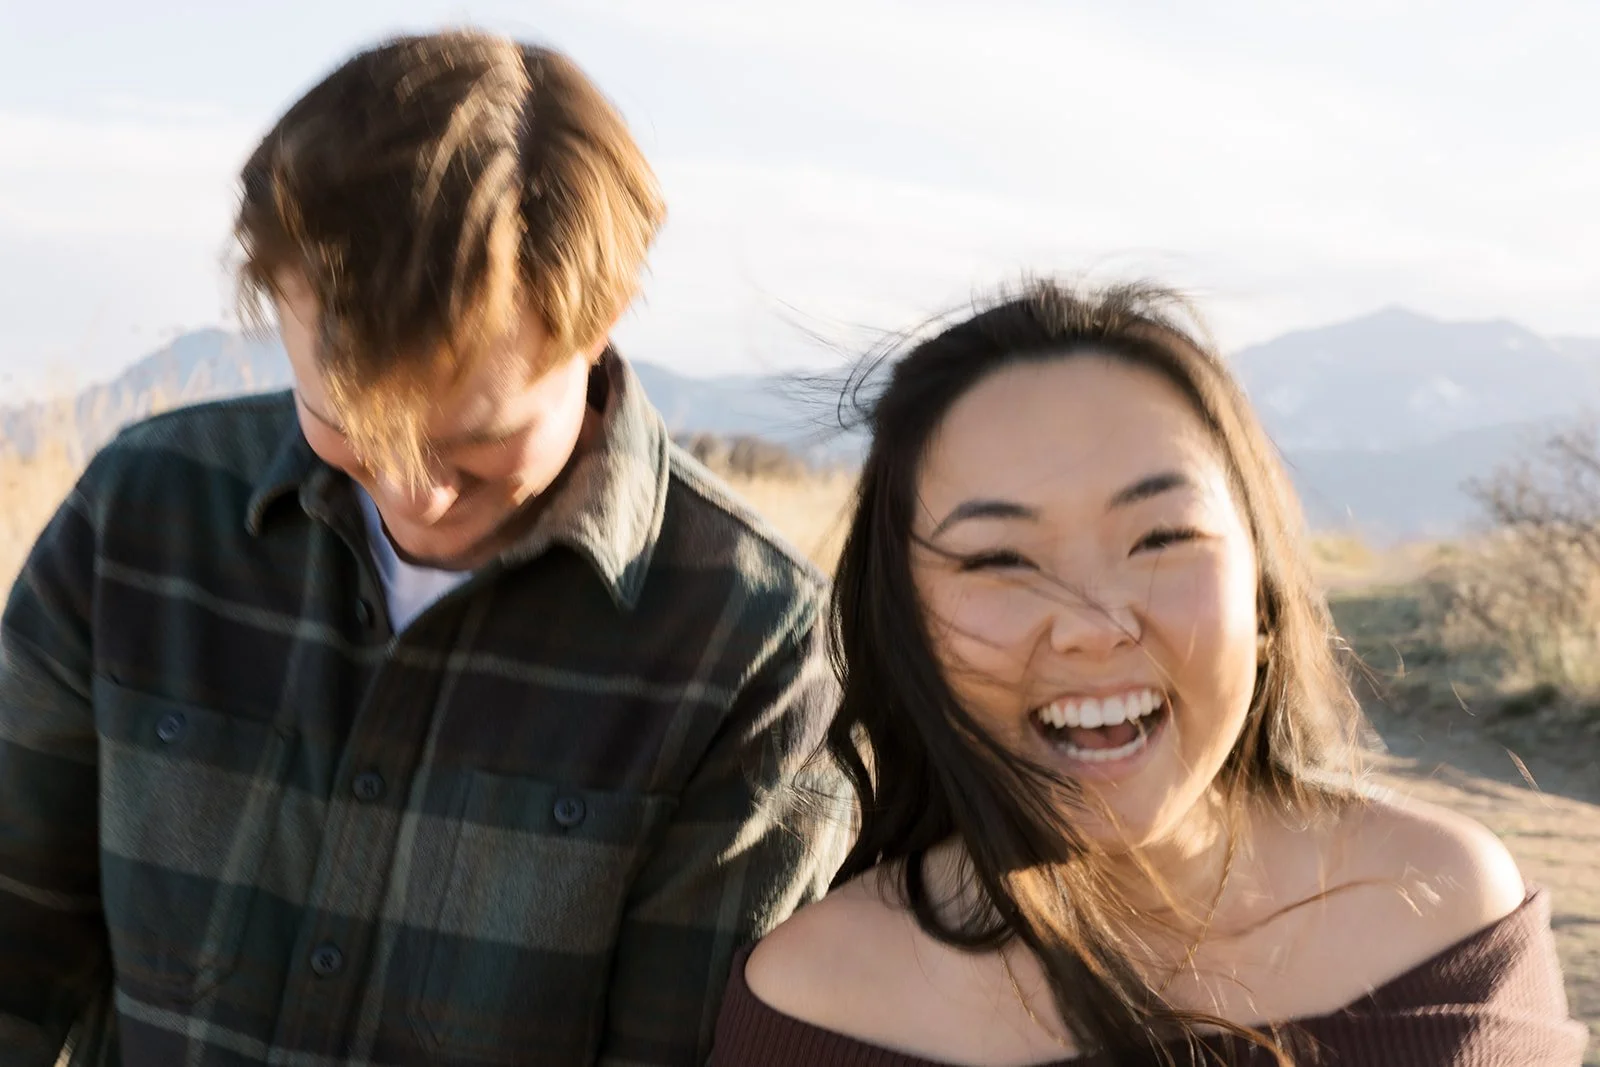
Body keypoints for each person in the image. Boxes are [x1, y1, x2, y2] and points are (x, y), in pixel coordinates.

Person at [0, 30, 849, 1067]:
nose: (415, 491)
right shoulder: (142, 514)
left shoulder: (755, 645)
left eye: (478, 439)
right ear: (279, 303)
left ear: (607, 315)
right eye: (350, 421)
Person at [710, 280, 1588, 1065]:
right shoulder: (821, 1002)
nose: (1097, 627)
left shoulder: (1440, 916)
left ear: (1264, 591)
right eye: (1000, 558)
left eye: (1162, 538)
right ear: (902, 625)